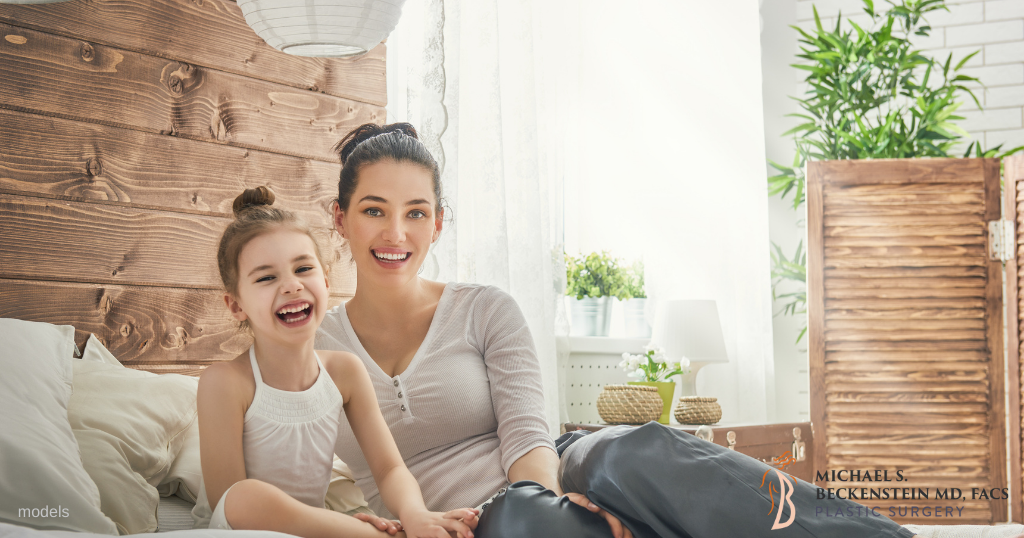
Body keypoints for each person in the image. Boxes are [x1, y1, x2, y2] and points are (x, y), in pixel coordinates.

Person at [315, 123, 920, 538]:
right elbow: (272, 479)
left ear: (439, 223)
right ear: (340, 218)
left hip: (547, 475)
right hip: (464, 522)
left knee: (631, 452)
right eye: (374, 210)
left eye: (416, 212)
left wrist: (541, 499)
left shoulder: (484, 308)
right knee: (524, 526)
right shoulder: (313, 352)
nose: (396, 233)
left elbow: (528, 435)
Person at [192, 186, 480, 538]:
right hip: (240, 529)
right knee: (246, 496)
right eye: (267, 277)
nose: (292, 286)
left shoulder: (344, 371)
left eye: (303, 269)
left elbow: (389, 469)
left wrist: (415, 513)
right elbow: (230, 500)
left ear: (325, 282)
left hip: (316, 529)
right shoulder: (225, 382)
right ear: (235, 305)